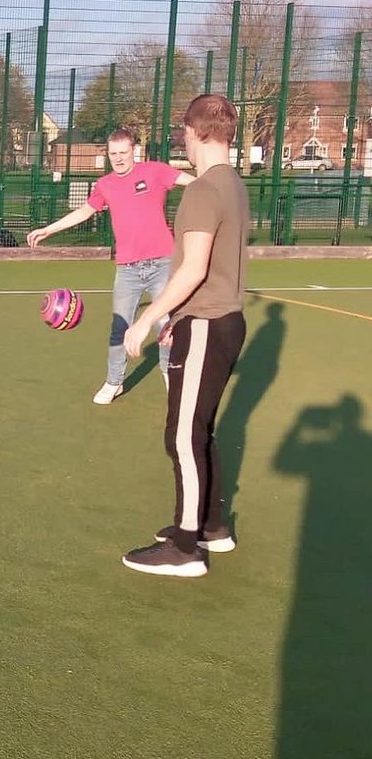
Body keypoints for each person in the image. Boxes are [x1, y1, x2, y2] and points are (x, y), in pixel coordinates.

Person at [120, 94, 249, 577]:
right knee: (200, 429)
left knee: (182, 434)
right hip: (223, 320)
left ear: (192, 133)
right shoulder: (232, 183)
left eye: (183, 134)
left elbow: (193, 269)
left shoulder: (201, 190)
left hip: (209, 324)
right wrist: (178, 319)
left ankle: (186, 545)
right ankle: (212, 526)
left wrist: (148, 317)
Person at [27, 129, 193, 404]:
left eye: (123, 153)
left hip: (162, 262)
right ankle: (114, 382)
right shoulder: (105, 185)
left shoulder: (155, 171)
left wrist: (216, 185)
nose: (118, 158)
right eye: (113, 153)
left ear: (133, 151)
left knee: (165, 324)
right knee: (120, 327)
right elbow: (84, 212)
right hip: (128, 269)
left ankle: (169, 375)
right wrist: (48, 229)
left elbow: (194, 182)